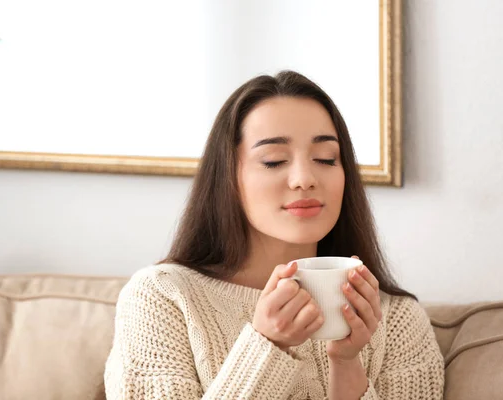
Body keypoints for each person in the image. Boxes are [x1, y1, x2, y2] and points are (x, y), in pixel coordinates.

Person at [104, 71, 445, 399]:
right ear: (228, 177)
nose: (304, 179)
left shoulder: (398, 318)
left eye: (326, 159)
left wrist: (346, 363)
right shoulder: (162, 298)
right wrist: (267, 346)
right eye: (273, 160)